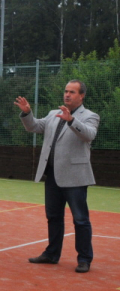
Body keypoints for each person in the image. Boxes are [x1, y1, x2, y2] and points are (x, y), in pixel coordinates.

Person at [15, 80, 100, 273]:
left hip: (75, 178)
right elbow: (34, 127)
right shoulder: (54, 114)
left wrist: (71, 121)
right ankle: (52, 254)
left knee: (80, 219)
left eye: (72, 92)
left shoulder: (90, 116)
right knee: (53, 216)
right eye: (66, 91)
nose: (67, 94)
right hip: (52, 175)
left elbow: (89, 135)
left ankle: (84, 259)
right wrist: (27, 113)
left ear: (81, 95)